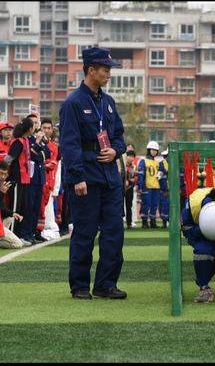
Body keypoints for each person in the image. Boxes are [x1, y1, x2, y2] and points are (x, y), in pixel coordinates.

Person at [60, 47, 127, 300]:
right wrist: (76, 177)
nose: (109, 73)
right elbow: (69, 144)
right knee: (85, 233)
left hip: (110, 177)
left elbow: (119, 136)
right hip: (85, 178)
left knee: (114, 234)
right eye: (105, 69)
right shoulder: (72, 104)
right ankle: (79, 286)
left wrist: (115, 151)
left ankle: (106, 284)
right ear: (91, 70)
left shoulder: (108, 103)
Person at [4, 117, 34, 245]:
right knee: (15, 208)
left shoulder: (25, 140)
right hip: (16, 180)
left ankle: (19, 235)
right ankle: (11, 236)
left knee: (22, 208)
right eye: (33, 126)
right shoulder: (18, 142)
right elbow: (8, 159)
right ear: (29, 129)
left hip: (24, 179)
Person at [23, 113, 51, 243]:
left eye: (36, 122)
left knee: (36, 208)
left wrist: (38, 151)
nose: (35, 125)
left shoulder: (40, 139)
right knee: (29, 207)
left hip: (40, 177)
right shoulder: (27, 139)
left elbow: (47, 153)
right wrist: (38, 146)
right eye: (32, 123)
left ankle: (33, 233)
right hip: (31, 178)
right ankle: (26, 233)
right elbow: (32, 155)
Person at [38, 118, 60, 235]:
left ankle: (41, 232)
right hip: (37, 181)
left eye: (48, 128)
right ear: (40, 129)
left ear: (52, 130)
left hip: (48, 182)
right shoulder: (35, 143)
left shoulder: (54, 147)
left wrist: (41, 163)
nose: (46, 130)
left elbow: (52, 164)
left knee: (48, 212)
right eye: (44, 128)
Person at [0, 161, 25, 249]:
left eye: (5, 174)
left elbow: (2, 209)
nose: (3, 177)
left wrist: (13, 213)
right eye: (1, 173)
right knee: (18, 244)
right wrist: (1, 193)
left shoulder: (2, 185)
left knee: (10, 216)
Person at [137, 141, 160, 229]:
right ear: (148, 150)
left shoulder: (157, 163)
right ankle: (144, 222)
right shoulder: (143, 161)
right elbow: (140, 175)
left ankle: (153, 221)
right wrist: (140, 186)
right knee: (145, 205)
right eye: (152, 150)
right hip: (147, 186)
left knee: (154, 205)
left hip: (156, 186)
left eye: (156, 150)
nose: (154, 152)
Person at [124, 150, 137, 230]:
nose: (131, 158)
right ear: (126, 156)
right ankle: (118, 224)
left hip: (130, 189)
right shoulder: (122, 165)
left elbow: (136, 177)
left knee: (129, 206)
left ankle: (129, 224)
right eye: (130, 156)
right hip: (121, 189)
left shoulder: (134, 166)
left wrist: (132, 180)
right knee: (119, 206)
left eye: (133, 157)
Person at [158, 148, 169, 229]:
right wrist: (163, 190)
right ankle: (164, 223)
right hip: (163, 190)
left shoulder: (176, 164)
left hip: (174, 190)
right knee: (163, 206)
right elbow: (159, 177)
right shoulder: (161, 164)